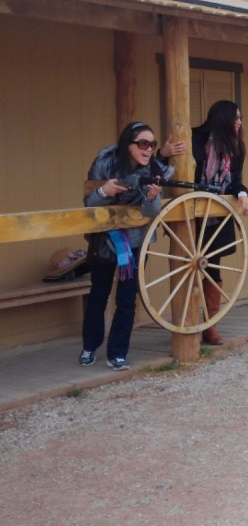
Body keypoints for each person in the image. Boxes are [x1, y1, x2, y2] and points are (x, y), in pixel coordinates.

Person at [79, 122, 174, 371]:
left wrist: (152, 197)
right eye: (143, 143)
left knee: (127, 299)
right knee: (98, 294)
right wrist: (104, 191)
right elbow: (88, 203)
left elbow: (150, 212)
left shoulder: (154, 169)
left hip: (135, 241)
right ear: (128, 144)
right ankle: (89, 346)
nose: (148, 149)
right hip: (104, 239)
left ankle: (118, 352)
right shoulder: (105, 163)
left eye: (152, 144)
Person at [192, 100, 248, 345]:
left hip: (217, 214)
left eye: (240, 117)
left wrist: (242, 193)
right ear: (223, 118)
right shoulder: (196, 139)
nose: (239, 122)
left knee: (212, 266)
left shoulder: (235, 147)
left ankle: (210, 325)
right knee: (188, 267)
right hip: (193, 213)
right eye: (235, 117)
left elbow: (235, 181)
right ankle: (191, 323)